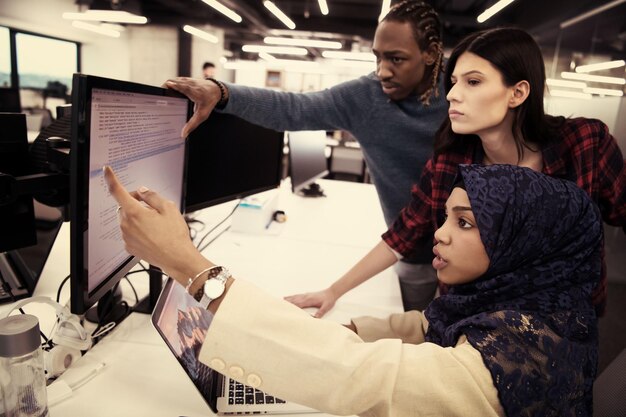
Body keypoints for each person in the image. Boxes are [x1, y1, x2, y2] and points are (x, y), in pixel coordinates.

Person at [104, 163, 602, 416]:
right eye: (446, 217)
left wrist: (191, 266)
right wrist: (349, 327)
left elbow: (364, 375)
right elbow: (430, 328)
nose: (440, 233)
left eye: (465, 223)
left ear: (523, 243)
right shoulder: (524, 303)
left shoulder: (517, 361)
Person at [287, 26, 626, 318]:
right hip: (475, 321)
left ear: (518, 92)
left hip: (561, 329)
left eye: (473, 82)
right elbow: (401, 237)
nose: (452, 94)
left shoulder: (585, 144)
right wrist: (333, 291)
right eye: (453, 82)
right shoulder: (450, 163)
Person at [165, 0, 449, 313]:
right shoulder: (365, 97)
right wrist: (223, 93)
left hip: (476, 252)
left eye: (396, 59)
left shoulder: (461, 95)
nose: (382, 71)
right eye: (378, 58)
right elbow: (295, 108)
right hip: (408, 253)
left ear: (431, 53)